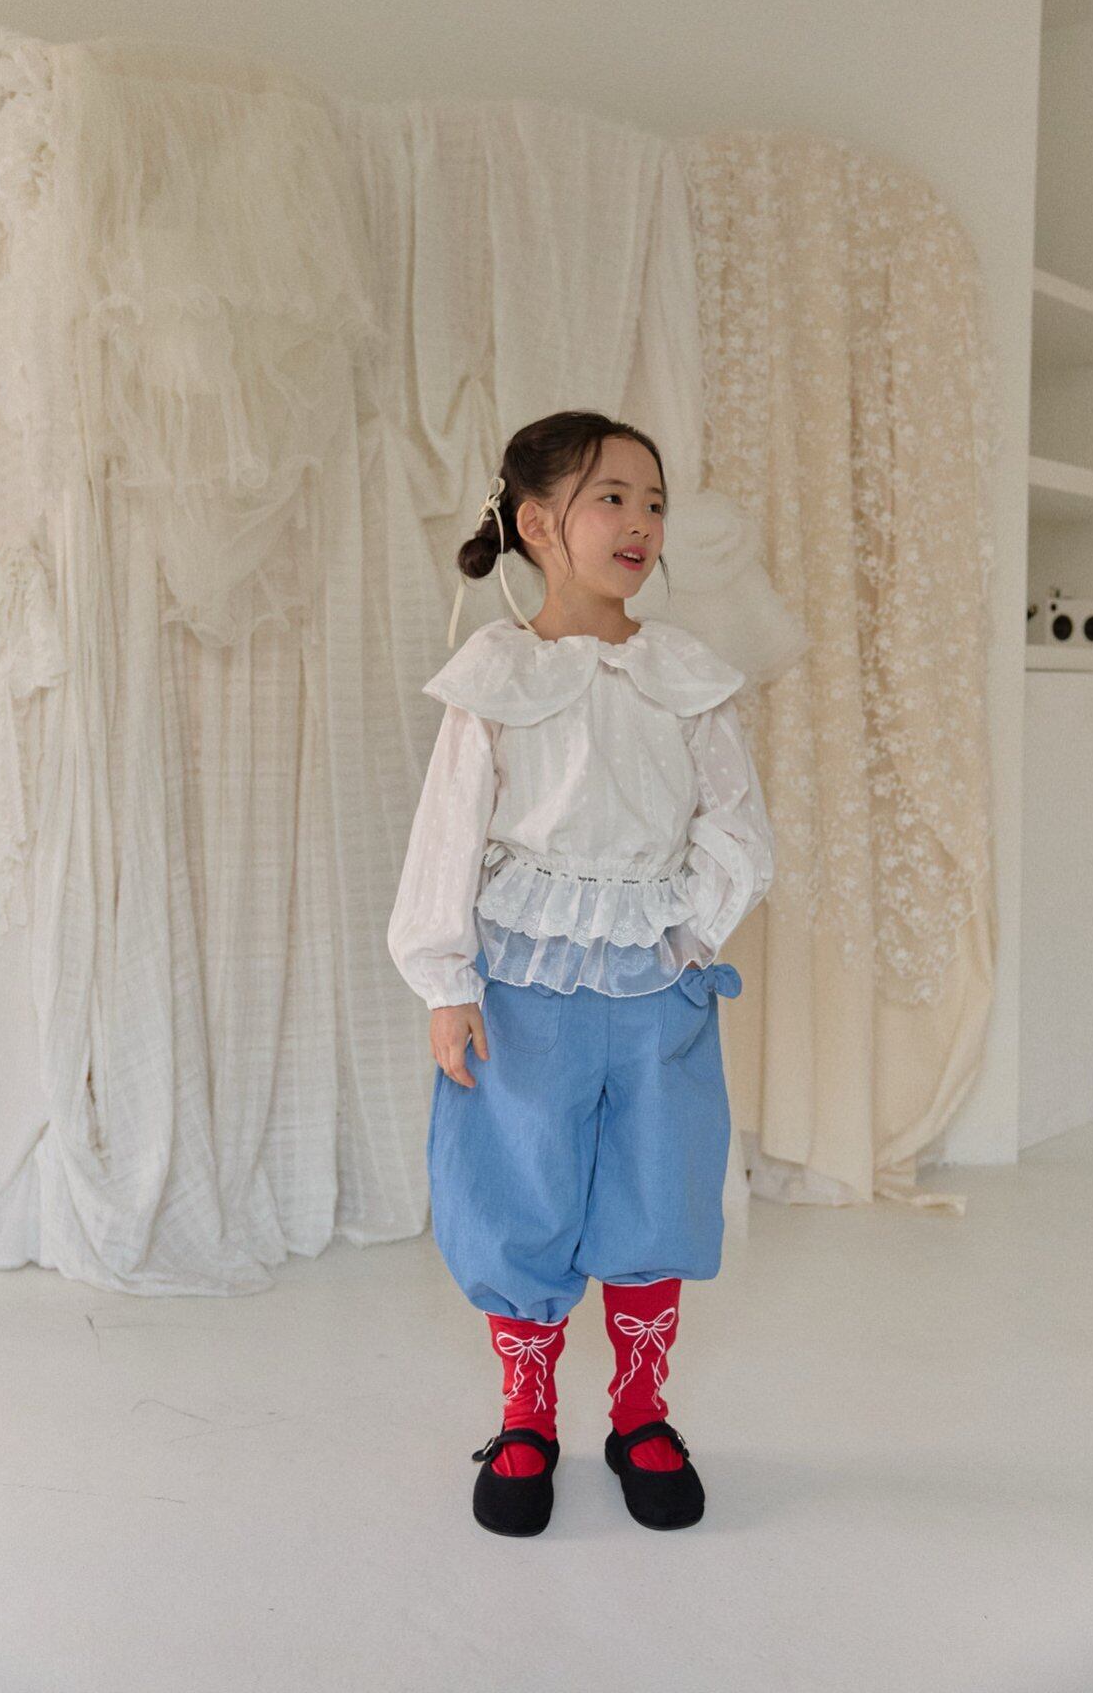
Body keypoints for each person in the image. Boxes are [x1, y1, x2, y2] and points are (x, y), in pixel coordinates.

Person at [387, 410, 775, 1537]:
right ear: (537, 523)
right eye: (612, 497)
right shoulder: (496, 676)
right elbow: (446, 835)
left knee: (659, 1182)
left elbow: (736, 825)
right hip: (523, 989)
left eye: (654, 502)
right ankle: (525, 1415)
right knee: (518, 1185)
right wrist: (446, 983)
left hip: (657, 987)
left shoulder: (684, 675)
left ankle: (640, 1411)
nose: (640, 521)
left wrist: (686, 934)